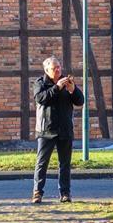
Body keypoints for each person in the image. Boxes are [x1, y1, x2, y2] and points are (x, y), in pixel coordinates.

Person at [32, 55, 84, 204]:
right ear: (47, 70)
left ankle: (65, 193)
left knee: (65, 164)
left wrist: (73, 90)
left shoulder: (67, 81)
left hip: (65, 130)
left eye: (59, 67)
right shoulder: (40, 83)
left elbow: (80, 101)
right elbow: (40, 99)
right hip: (46, 130)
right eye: (55, 68)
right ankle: (37, 193)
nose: (58, 70)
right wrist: (57, 87)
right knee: (42, 164)